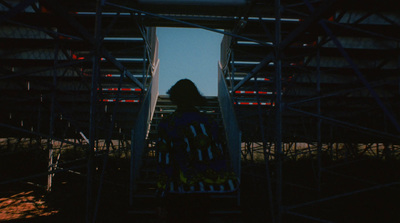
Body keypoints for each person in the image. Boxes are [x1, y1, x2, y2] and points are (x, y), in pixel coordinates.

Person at [155, 79, 238, 223]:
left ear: (174, 97)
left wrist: (161, 197)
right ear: (195, 97)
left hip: (176, 190)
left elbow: (164, 161)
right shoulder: (209, 122)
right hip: (202, 190)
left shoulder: (167, 123)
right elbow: (217, 154)